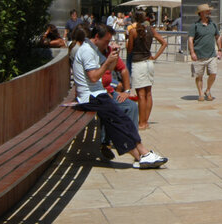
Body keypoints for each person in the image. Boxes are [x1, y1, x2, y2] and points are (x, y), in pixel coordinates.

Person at [71, 24, 167, 169]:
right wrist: (108, 62)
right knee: (121, 120)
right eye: (106, 41)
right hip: (92, 97)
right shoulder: (86, 51)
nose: (107, 44)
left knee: (119, 120)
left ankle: (140, 156)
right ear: (96, 37)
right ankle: (144, 153)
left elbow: (108, 69)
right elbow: (93, 77)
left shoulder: (93, 49)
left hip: (98, 94)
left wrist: (112, 57)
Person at [128, 9, 167, 129]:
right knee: (148, 93)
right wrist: (155, 56)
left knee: (141, 94)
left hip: (138, 63)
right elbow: (164, 43)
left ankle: (142, 122)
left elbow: (129, 50)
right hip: (149, 62)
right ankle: (146, 121)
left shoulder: (133, 32)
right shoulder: (151, 30)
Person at [189, 3, 222, 102]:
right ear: (201, 13)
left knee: (213, 73)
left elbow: (218, 37)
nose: (209, 12)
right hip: (199, 55)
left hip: (211, 55)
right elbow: (190, 39)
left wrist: (220, 50)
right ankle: (200, 93)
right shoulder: (195, 26)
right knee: (199, 76)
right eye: (207, 11)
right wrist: (192, 52)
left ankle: (208, 90)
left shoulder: (213, 25)